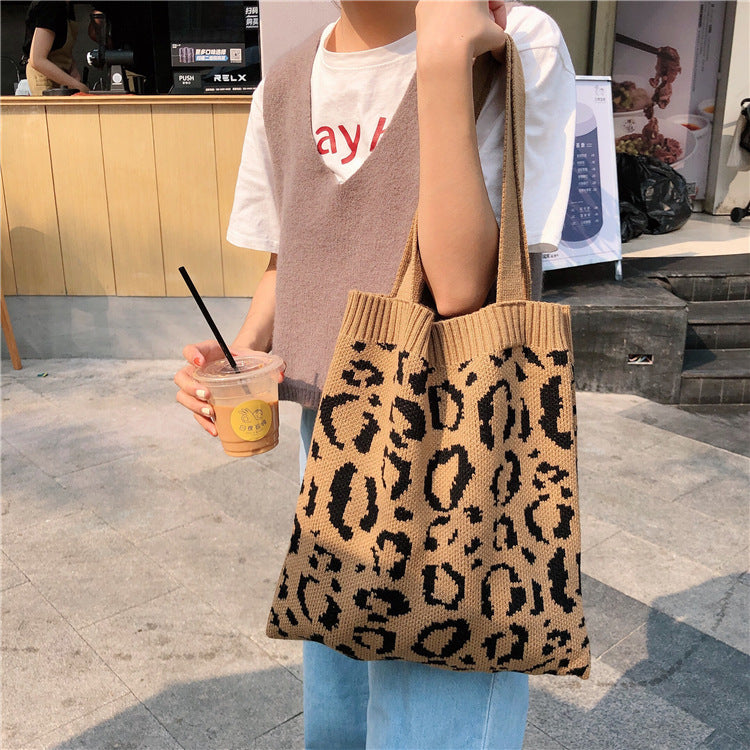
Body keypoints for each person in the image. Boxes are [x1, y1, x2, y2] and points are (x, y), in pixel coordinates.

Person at [174, 1, 576, 747]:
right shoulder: (285, 81)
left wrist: (443, 64)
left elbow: (463, 290)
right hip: (327, 440)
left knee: (433, 724)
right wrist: (240, 355)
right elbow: (289, 259)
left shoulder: (511, 41)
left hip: (452, 437)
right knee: (338, 720)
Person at [23, 1, 89, 94]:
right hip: (44, 80)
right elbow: (37, 60)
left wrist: (72, 68)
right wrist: (76, 85)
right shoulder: (50, 5)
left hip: (63, 78)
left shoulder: (67, 6)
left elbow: (59, 46)